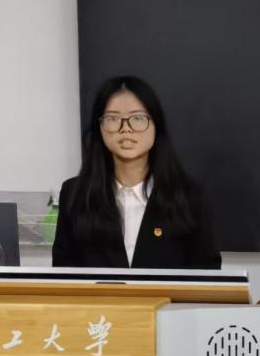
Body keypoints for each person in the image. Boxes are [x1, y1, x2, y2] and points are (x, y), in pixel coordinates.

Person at [53, 75, 220, 269]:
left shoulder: (190, 195)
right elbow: (64, 273)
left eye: (138, 118)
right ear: (100, 127)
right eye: (113, 118)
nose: (126, 129)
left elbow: (207, 272)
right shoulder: (74, 194)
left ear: (156, 124)